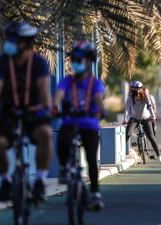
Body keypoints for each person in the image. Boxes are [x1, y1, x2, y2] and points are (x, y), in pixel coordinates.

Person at [0, 22, 53, 202]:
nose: (9, 43)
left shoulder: (38, 63)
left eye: (14, 40)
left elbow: (44, 90)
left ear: (26, 43)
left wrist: (47, 110)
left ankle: (40, 179)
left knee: (45, 133)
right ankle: (6, 180)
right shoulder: (2, 62)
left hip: (34, 113)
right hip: (8, 114)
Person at [53, 40, 105, 211]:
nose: (77, 63)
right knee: (61, 141)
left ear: (89, 62)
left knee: (91, 158)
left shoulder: (95, 83)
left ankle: (95, 193)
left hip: (89, 124)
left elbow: (99, 100)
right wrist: (54, 107)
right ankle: (63, 168)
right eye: (74, 59)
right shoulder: (67, 81)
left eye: (81, 59)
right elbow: (58, 96)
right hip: (70, 122)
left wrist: (99, 111)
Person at [124, 80, 161, 164]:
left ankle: (159, 155)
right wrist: (125, 119)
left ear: (141, 89)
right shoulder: (129, 99)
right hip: (134, 118)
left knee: (151, 137)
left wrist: (153, 116)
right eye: (132, 89)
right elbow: (127, 110)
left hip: (146, 118)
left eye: (137, 89)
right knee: (127, 133)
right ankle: (123, 153)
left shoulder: (145, 97)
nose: (134, 91)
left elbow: (149, 107)